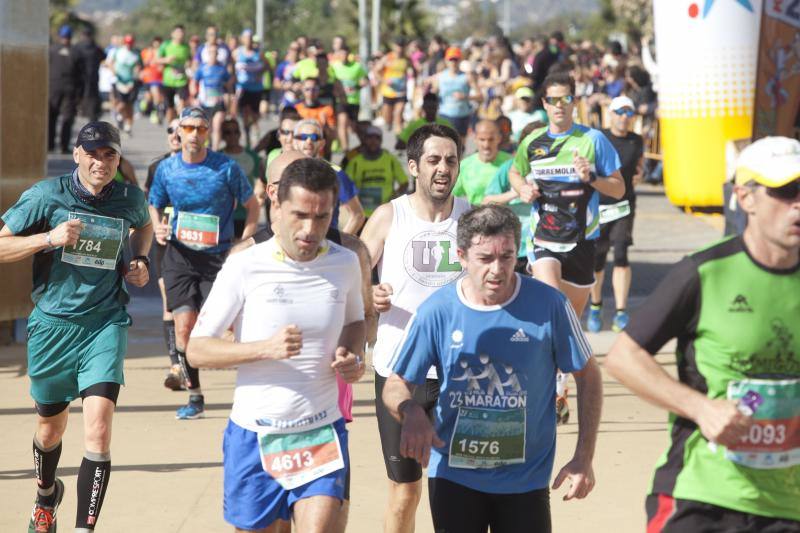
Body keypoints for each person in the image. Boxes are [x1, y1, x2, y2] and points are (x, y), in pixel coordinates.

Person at [605, 136, 800, 532]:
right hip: (703, 494)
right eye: (785, 191)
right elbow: (624, 357)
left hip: (788, 504)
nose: (798, 203)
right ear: (746, 198)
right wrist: (701, 408)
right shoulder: (704, 272)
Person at [382, 204, 602, 533]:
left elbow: (588, 375)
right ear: (461, 255)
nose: (497, 269)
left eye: (507, 257)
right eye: (485, 259)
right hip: (454, 476)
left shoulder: (550, 305)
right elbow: (395, 383)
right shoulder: (437, 311)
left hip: (525, 481)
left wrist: (584, 456)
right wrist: (410, 409)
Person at [186, 157, 366, 532]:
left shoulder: (345, 263)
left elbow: (355, 322)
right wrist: (263, 349)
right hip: (255, 434)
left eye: (322, 217)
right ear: (276, 207)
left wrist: (352, 353)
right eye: (300, 214)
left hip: (320, 429)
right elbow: (197, 350)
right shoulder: (244, 265)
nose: (310, 228)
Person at [0, 121, 153, 532]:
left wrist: (139, 262)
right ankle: (46, 496)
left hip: (104, 323)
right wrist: (47, 239)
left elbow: (145, 225)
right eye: (93, 154)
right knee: (50, 429)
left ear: (118, 160)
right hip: (52, 327)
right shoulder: (46, 196)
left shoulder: (129, 198)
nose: (101, 162)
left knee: (98, 431)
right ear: (77, 154)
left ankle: (84, 528)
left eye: (110, 155)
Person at [360, 123, 471, 533]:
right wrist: (370, 294)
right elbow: (354, 276)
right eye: (433, 160)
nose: (443, 168)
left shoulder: (469, 217)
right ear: (413, 166)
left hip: (457, 373)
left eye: (451, 160)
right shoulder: (390, 215)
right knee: (405, 492)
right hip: (399, 374)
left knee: (457, 492)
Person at [509, 71, 624, 424]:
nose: (559, 106)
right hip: (544, 240)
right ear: (544, 104)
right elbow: (516, 172)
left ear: (574, 102)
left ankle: (560, 379)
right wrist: (523, 190)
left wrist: (592, 178)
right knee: (549, 305)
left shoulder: (593, 140)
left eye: (565, 99)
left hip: (582, 243)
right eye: (552, 100)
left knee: (567, 320)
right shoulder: (533, 143)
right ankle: (542, 386)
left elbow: (618, 189)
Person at [148, 107, 259, 420]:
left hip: (218, 258)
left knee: (224, 328)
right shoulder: (167, 169)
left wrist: (243, 242)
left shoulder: (225, 167)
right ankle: (194, 396)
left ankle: (249, 392)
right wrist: (158, 226)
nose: (194, 135)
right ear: (179, 131)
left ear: (208, 133)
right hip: (179, 256)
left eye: (201, 129)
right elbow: (154, 204)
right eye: (189, 128)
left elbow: (252, 206)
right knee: (183, 328)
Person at [587, 96, 644, 333]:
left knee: (621, 253)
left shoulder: (636, 140)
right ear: (610, 114)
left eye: (629, 113)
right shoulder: (598, 137)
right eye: (620, 112)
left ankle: (621, 311)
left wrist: (639, 175)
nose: (624, 117)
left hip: (624, 206)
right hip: (599, 206)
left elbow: (638, 167)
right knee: (597, 259)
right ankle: (596, 305)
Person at [144, 119, 184, 391]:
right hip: (165, 241)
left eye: (183, 131)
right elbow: (150, 203)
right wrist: (156, 225)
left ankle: (191, 356)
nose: (176, 136)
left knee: (192, 307)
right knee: (169, 302)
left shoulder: (209, 166)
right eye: (172, 130)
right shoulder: (157, 167)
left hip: (196, 243)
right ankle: (177, 365)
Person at [482, 122, 542, 273]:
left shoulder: (551, 169)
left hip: (544, 246)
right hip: (514, 247)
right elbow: (487, 202)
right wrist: (518, 190)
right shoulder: (509, 168)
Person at [292, 119, 365, 234]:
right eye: (303, 137)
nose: (309, 141)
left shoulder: (335, 173)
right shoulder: (283, 168)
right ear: (294, 141)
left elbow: (357, 215)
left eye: (314, 137)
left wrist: (340, 246)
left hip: (325, 247)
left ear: (322, 143)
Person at [344, 126, 408, 218]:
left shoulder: (390, 159)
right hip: (361, 214)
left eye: (377, 138)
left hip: (385, 213)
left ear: (381, 141)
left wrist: (394, 198)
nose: (373, 141)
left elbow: (404, 183)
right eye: (370, 138)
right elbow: (345, 185)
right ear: (364, 140)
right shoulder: (355, 161)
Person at [220, 117, 267, 237]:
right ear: (222, 135)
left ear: (240, 134)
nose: (232, 135)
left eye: (236, 131)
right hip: (222, 215)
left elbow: (263, 180)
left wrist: (259, 199)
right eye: (228, 132)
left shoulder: (251, 156)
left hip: (246, 216)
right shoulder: (216, 157)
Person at [453, 120, 512, 206]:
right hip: (474, 216)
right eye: (482, 139)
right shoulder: (464, 166)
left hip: (505, 216)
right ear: (475, 139)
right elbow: (452, 196)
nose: (486, 145)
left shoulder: (510, 163)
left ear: (499, 138)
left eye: (491, 139)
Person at [430, 47, 478, 144]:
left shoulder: (467, 77)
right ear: (446, 61)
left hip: (462, 115)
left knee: (460, 146)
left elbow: (480, 96)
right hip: (444, 115)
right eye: (451, 59)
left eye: (456, 59)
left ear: (460, 60)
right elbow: (433, 92)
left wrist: (465, 97)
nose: (453, 62)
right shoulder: (440, 77)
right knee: (444, 143)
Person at [193, 41, 233, 150]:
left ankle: (215, 150)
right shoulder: (202, 68)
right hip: (204, 101)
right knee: (207, 127)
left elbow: (229, 84)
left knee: (217, 126)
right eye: (211, 52)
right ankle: (206, 147)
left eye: (215, 52)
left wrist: (228, 99)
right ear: (207, 54)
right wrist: (194, 95)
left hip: (218, 102)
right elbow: (194, 82)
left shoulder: (222, 68)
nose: (213, 55)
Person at [49, 25, 81, 154]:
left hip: (53, 88)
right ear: (71, 36)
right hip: (70, 90)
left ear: (59, 36)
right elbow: (81, 75)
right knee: (67, 118)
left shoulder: (51, 50)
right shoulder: (76, 53)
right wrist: (80, 94)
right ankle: (63, 146)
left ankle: (50, 145)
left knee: (52, 117)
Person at [331, 43, 368, 152]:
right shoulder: (334, 67)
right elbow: (330, 81)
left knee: (353, 127)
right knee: (342, 122)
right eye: (341, 53)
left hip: (354, 101)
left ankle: (366, 144)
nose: (343, 56)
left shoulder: (356, 67)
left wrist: (357, 86)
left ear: (348, 54)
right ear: (338, 54)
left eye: (345, 54)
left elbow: (366, 79)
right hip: (341, 101)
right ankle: (345, 149)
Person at [234, 29, 265, 148]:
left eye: (250, 37)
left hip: (256, 88)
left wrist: (260, 74)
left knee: (256, 115)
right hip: (242, 88)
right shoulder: (237, 52)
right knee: (244, 113)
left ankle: (253, 127)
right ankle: (247, 138)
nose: (249, 40)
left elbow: (267, 66)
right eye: (246, 37)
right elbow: (231, 68)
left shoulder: (258, 53)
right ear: (242, 39)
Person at [377, 38, 415, 135]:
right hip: (388, 91)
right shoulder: (387, 57)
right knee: (387, 118)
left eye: (402, 46)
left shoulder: (406, 59)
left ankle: (399, 139)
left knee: (398, 113)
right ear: (394, 46)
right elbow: (376, 70)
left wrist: (412, 73)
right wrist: (384, 80)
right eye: (398, 46)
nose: (400, 48)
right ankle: (388, 123)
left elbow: (413, 71)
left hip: (401, 91)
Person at [107, 34, 142, 136]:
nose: (129, 46)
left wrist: (134, 78)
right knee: (121, 103)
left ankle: (128, 127)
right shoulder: (117, 52)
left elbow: (139, 67)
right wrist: (115, 74)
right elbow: (110, 63)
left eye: (130, 44)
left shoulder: (136, 53)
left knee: (130, 105)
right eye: (127, 43)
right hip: (119, 82)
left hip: (131, 83)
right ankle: (119, 117)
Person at [157, 24, 192, 122]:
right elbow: (157, 60)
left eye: (182, 32)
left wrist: (188, 66)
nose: (180, 34)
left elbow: (189, 60)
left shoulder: (186, 47)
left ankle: (180, 126)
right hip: (168, 80)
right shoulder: (166, 45)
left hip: (181, 80)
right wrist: (166, 60)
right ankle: (171, 128)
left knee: (182, 104)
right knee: (170, 108)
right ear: (172, 34)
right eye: (178, 32)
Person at [74, 28, 106, 122]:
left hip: (80, 78)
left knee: (80, 96)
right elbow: (104, 56)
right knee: (92, 98)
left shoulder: (77, 47)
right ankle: (92, 117)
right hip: (93, 77)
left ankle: (81, 110)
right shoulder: (95, 47)